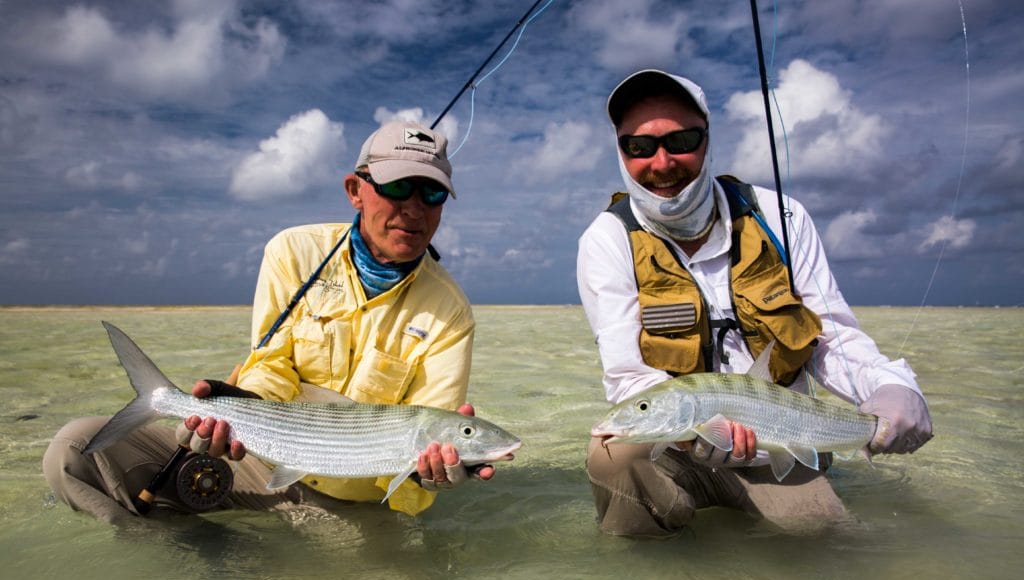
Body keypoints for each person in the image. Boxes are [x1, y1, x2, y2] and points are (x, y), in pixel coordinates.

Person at [44, 120, 495, 524]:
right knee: (73, 450)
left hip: (354, 503)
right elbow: (272, 362)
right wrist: (237, 414)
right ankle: (168, 562)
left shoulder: (450, 310)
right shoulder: (294, 251)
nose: (414, 209)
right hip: (257, 458)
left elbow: (428, 445)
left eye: (432, 193)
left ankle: (220, 551)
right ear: (355, 191)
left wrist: (431, 478)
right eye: (397, 187)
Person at [576, 69, 933, 538]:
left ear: (707, 139)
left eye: (681, 140)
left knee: (827, 552)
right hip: (678, 451)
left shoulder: (779, 216)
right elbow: (628, 377)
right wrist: (699, 431)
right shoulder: (607, 239)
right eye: (638, 147)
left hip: (783, 442)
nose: (661, 163)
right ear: (621, 150)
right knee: (609, 454)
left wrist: (890, 386)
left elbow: (832, 338)